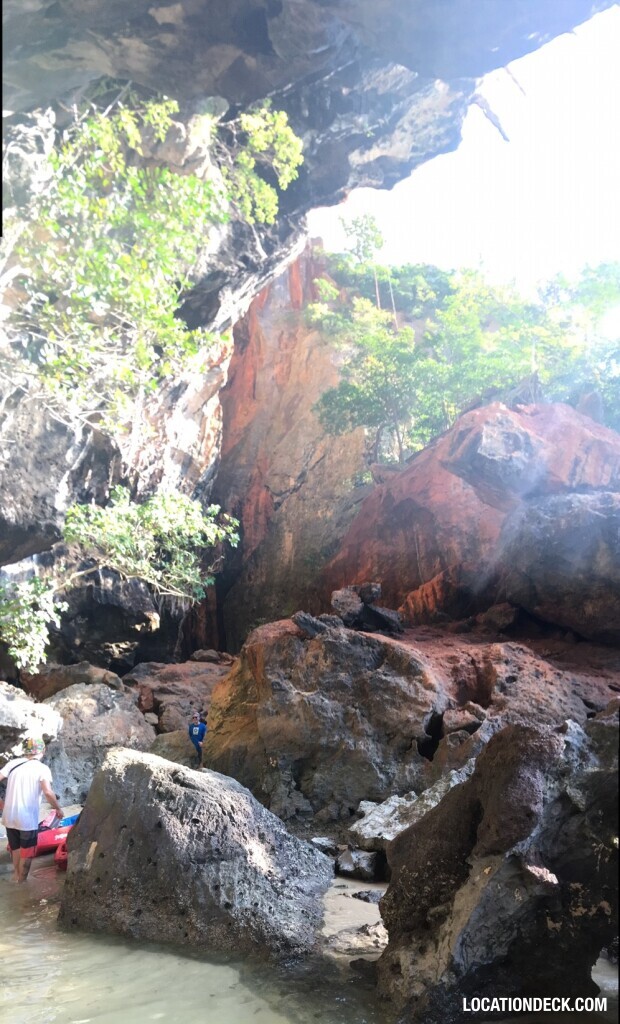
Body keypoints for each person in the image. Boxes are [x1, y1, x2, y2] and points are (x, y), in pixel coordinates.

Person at [0, 737, 63, 883]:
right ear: (43, 751)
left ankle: (15, 876)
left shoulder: (13, 764)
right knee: (27, 853)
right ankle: (21, 884)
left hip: (9, 817)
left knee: (15, 848)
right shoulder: (42, 769)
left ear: (24, 751)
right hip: (26, 819)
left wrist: (1, 803)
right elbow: (47, 792)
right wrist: (58, 808)